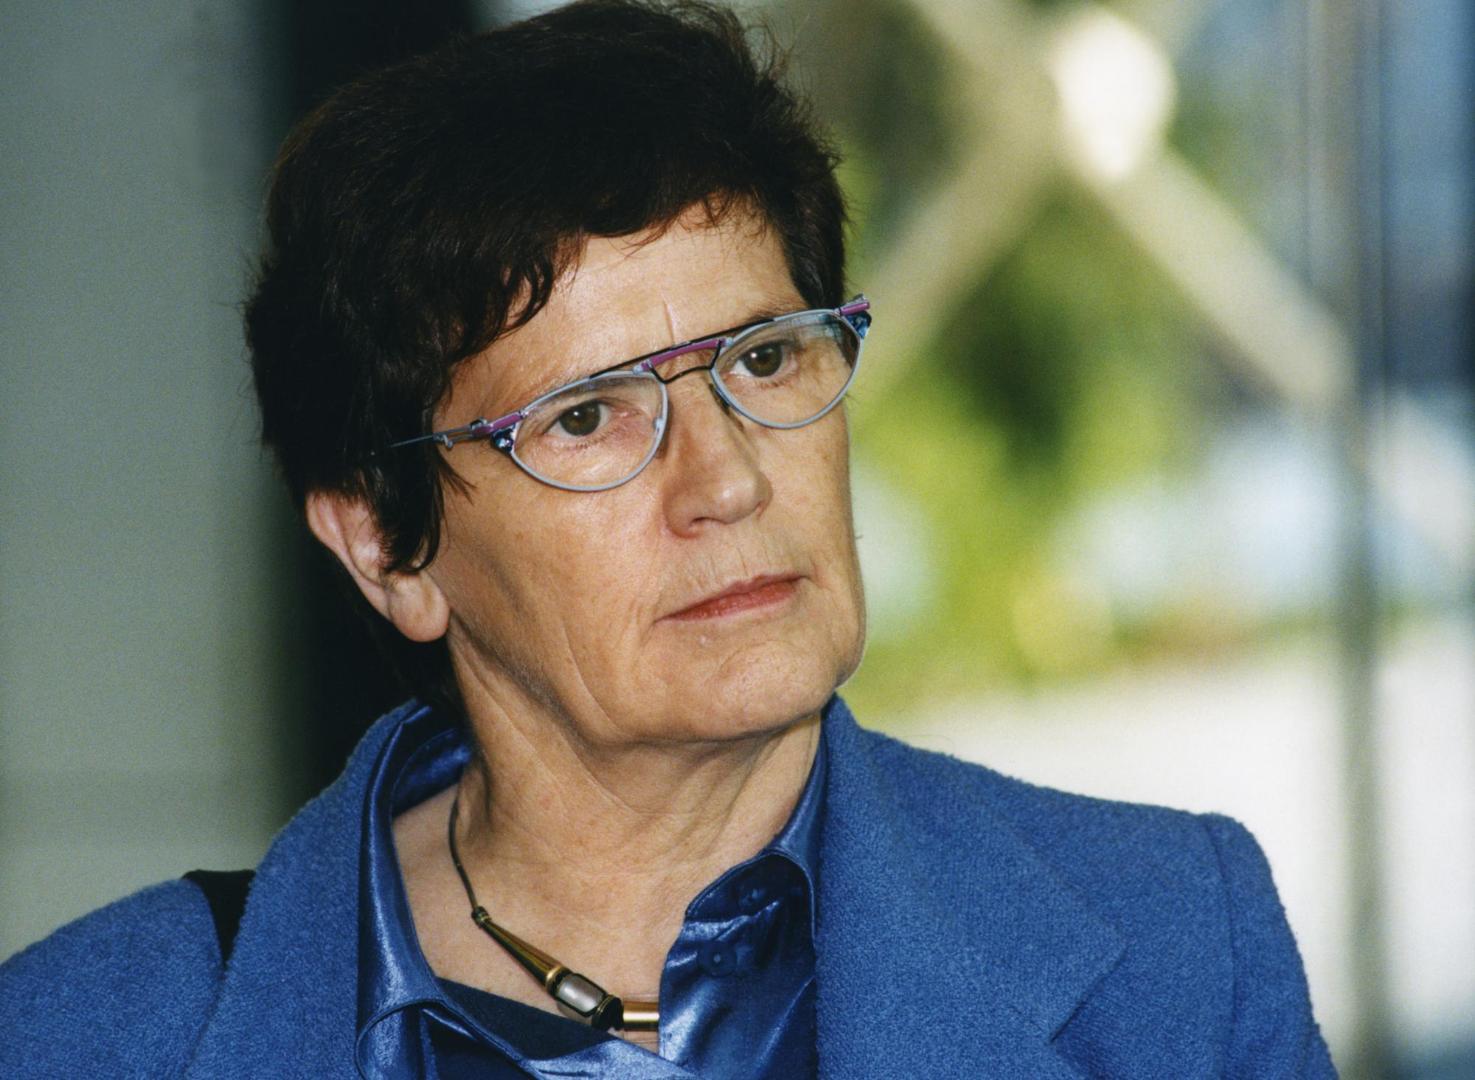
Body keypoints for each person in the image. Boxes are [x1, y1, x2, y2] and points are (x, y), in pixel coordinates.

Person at [0, 1, 1336, 1076]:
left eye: (764, 358)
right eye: (586, 416)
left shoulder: (1175, 950)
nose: (729, 480)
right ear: (385, 548)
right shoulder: (85, 1037)